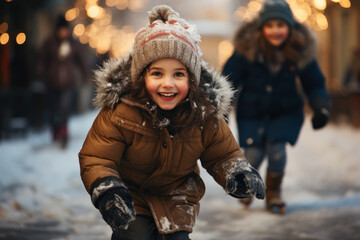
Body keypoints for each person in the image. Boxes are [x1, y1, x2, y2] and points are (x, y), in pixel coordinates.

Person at [79, 5, 265, 240]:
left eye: (178, 74)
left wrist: (236, 171)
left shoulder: (204, 115)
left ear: (192, 79)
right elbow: (98, 157)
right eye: (157, 74)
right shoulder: (121, 112)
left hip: (177, 199)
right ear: (141, 76)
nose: (168, 83)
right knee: (133, 236)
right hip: (131, 196)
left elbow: (223, 154)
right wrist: (107, 188)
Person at [222, 0, 330, 214]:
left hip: (285, 112)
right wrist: (222, 110)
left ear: (289, 27)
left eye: (281, 26)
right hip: (252, 112)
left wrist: (321, 108)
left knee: (277, 151)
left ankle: (274, 193)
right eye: (270, 26)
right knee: (252, 154)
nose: (275, 31)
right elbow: (229, 81)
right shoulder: (246, 51)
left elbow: (314, 82)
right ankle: (247, 187)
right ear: (261, 27)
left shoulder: (299, 51)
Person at [37, 15, 87, 148]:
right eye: (61, 30)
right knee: (53, 109)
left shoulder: (73, 43)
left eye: (65, 29)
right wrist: (40, 72)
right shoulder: (49, 43)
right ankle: (55, 129)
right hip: (52, 82)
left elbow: (80, 60)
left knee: (64, 106)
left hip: (68, 83)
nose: (64, 32)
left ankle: (64, 131)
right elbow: (42, 59)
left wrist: (84, 75)